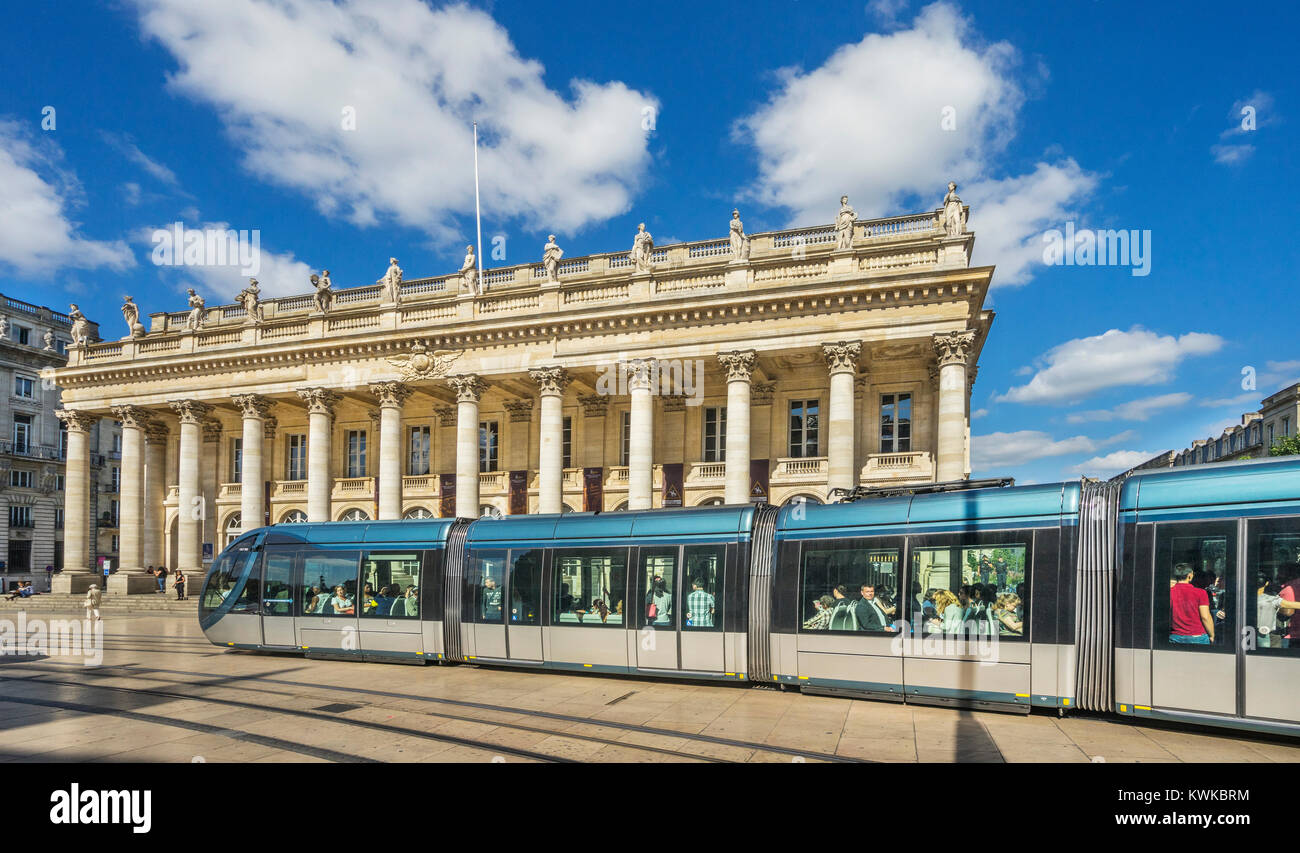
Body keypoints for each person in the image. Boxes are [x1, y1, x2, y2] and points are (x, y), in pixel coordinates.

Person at [1169, 563, 1213, 644]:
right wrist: (1212, 635)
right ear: (1189, 576)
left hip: (1175, 637)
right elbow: (1205, 617)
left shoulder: (1170, 592)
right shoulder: (1201, 593)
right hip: (1198, 638)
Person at [1277, 564, 1300, 649]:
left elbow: (1287, 613)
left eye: (1280, 572)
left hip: (1294, 636)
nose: (1277, 576)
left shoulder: (1289, 588)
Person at [1256, 574, 1282, 649]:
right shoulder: (1273, 598)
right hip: (1265, 632)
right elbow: (1288, 605)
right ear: (1267, 583)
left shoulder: (1244, 596)